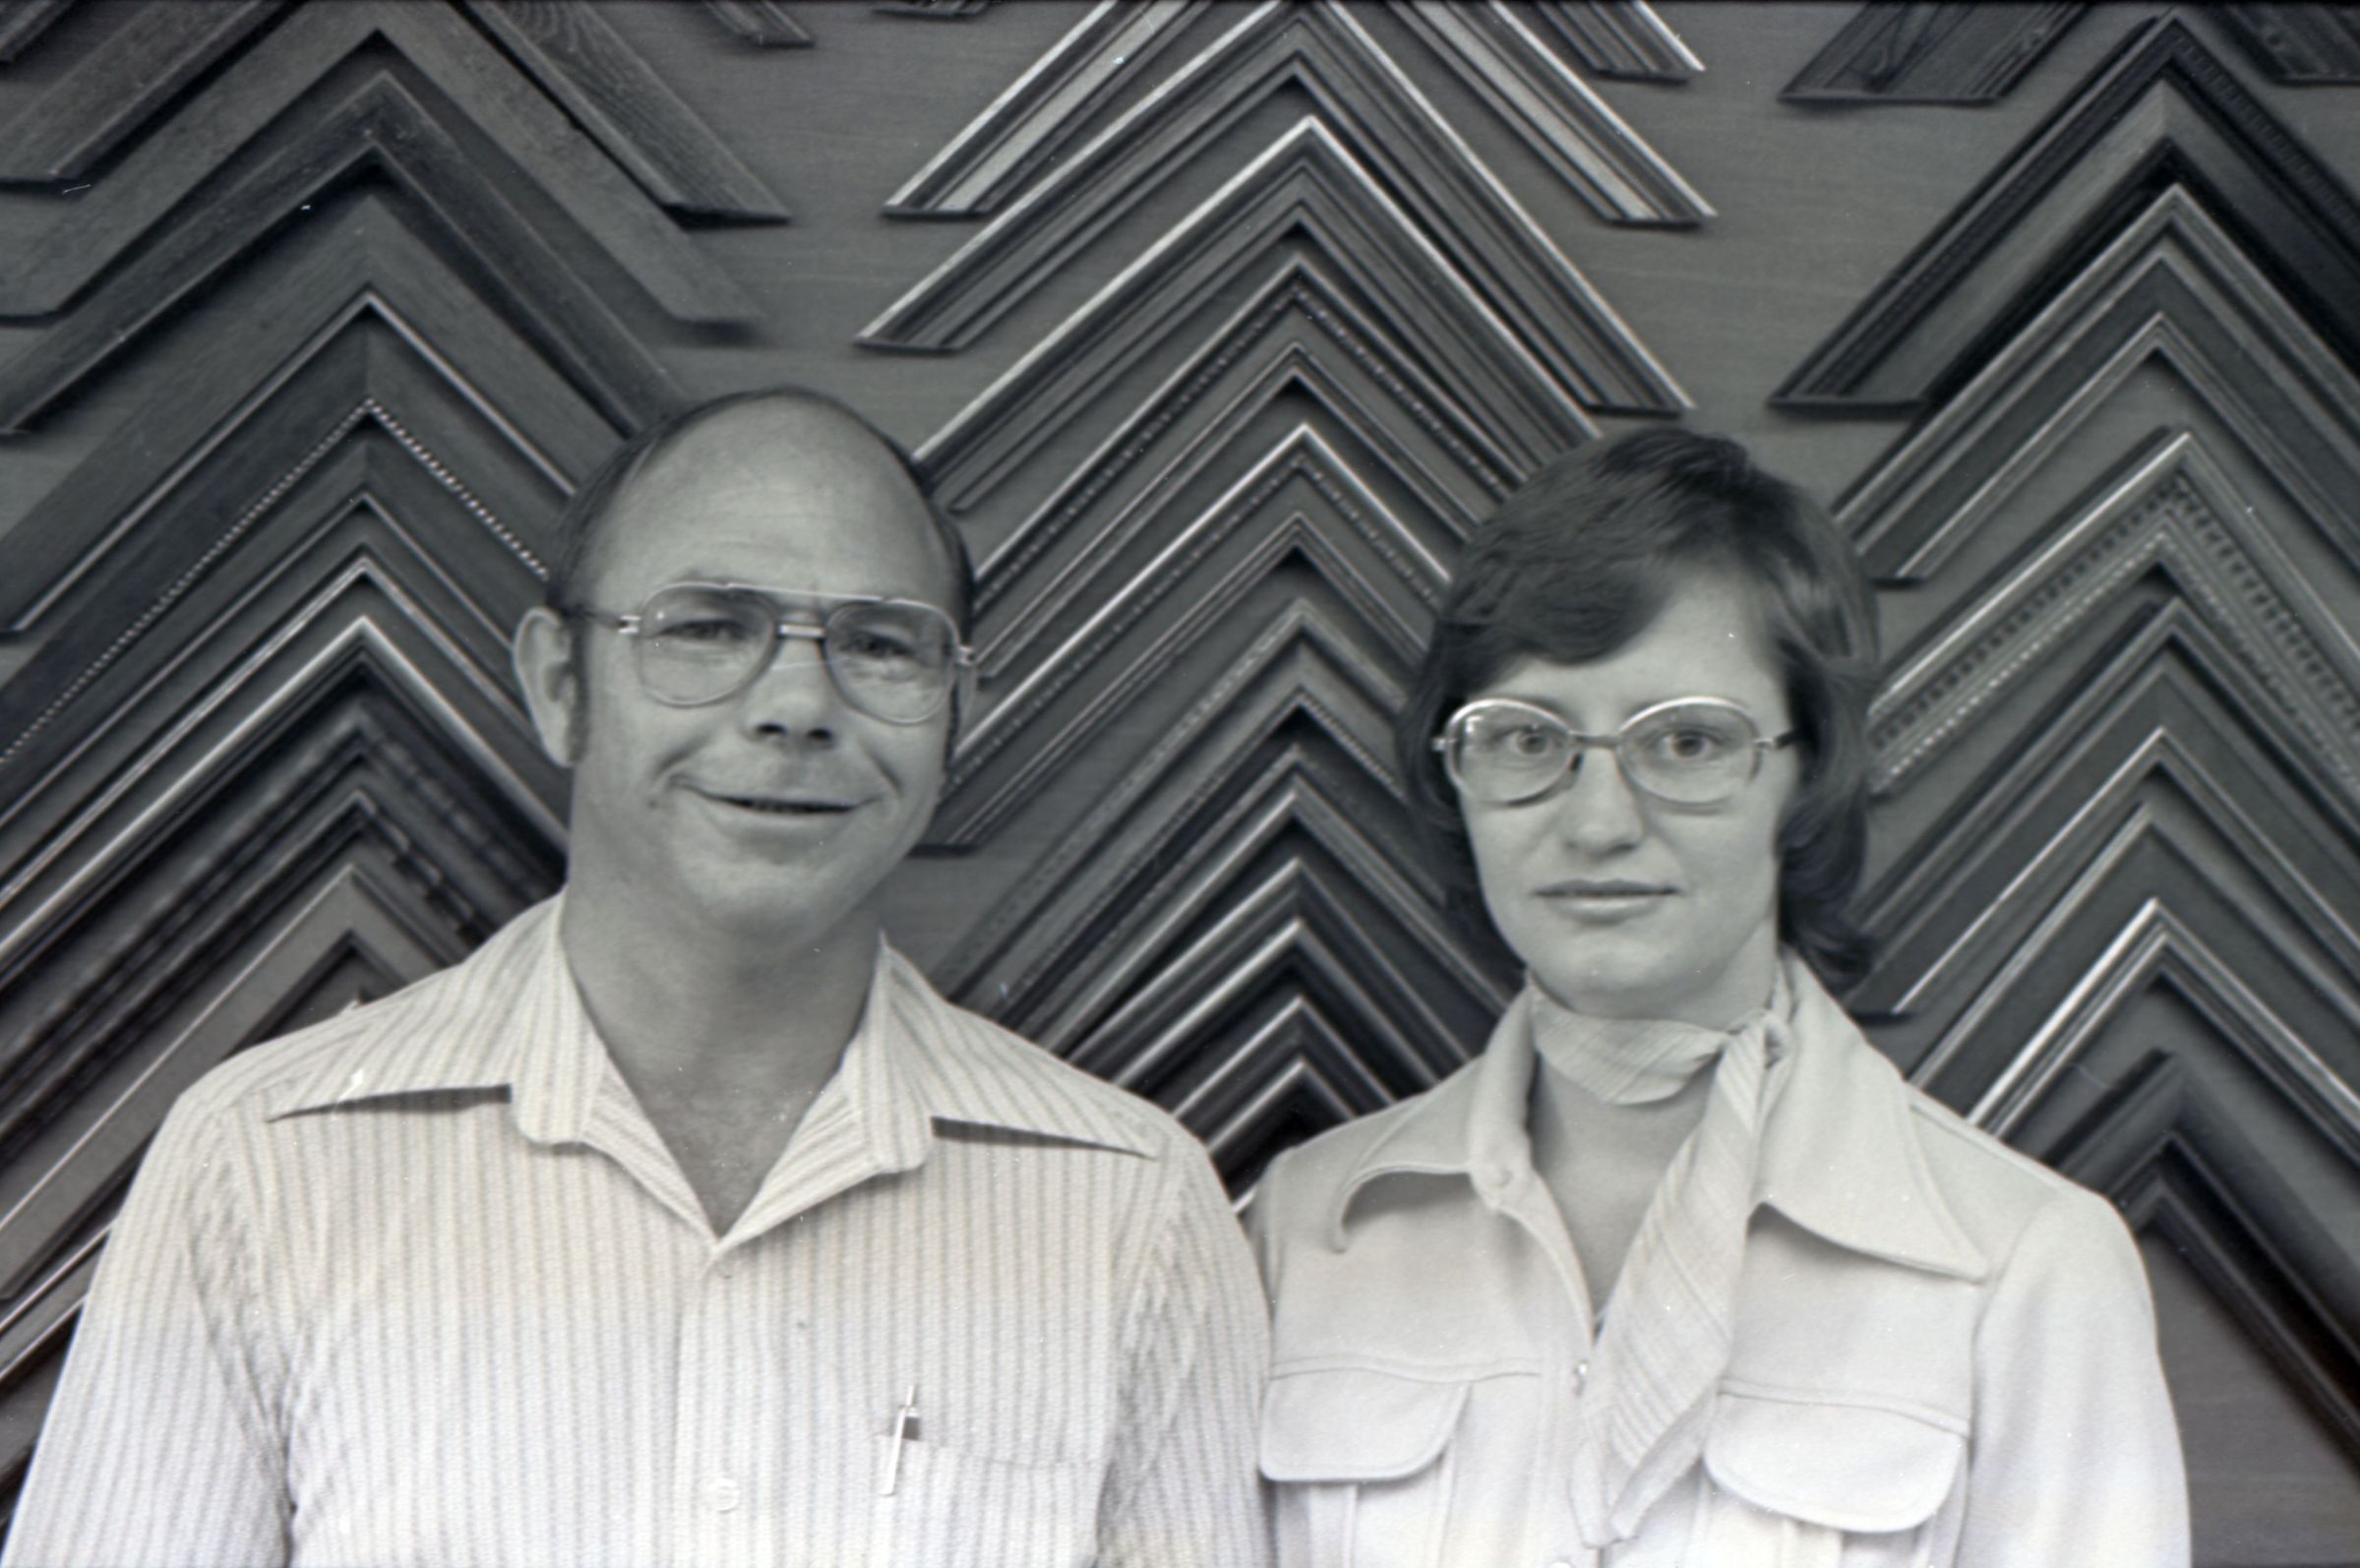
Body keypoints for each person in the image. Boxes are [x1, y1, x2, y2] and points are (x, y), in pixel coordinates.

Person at [6, 388, 1272, 1568]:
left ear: (956, 714)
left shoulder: (1128, 1210)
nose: (796, 702)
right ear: (561, 685)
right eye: (706, 627)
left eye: (881, 644)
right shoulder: (265, 1165)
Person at [1246, 430, 2188, 1565]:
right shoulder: (1304, 1229)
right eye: (1525, 738)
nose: (1597, 821)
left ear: (1807, 773)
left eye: (1686, 740)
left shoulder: (2020, 1267)